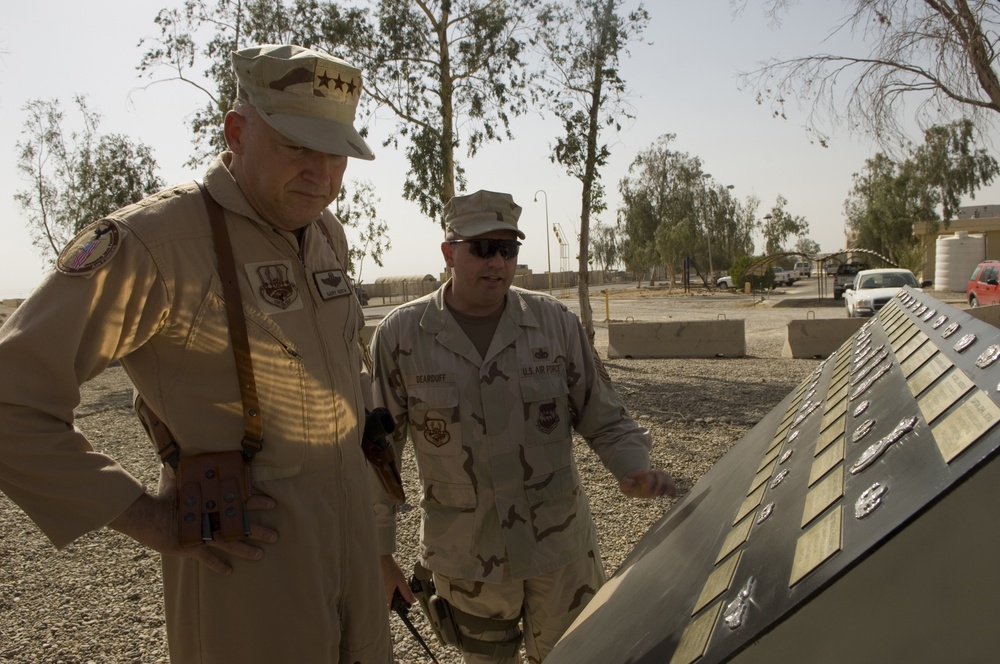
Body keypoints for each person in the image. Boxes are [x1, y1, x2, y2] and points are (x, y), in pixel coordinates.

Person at [0, 44, 392, 663]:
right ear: (236, 131)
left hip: (351, 563)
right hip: (251, 570)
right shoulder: (155, 242)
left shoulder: (324, 234)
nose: (323, 174)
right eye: (297, 146)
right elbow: (10, 401)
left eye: (338, 151)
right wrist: (144, 517)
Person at [370, 190, 677, 663]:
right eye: (482, 248)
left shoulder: (553, 323)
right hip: (468, 561)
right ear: (449, 252)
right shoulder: (401, 336)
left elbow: (606, 416)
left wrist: (631, 468)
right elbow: (379, 454)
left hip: (561, 552)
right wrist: (381, 554)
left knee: (577, 657)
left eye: (507, 249)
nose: (497, 262)